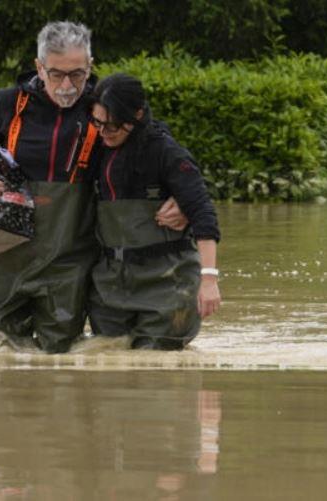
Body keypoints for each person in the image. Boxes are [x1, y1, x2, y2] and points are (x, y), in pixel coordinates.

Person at [0, 22, 185, 353]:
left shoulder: (105, 107)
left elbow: (163, 151)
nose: (67, 85)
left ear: (90, 66)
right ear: (39, 67)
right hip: (3, 255)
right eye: (56, 74)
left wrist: (182, 198)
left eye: (77, 74)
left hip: (71, 259)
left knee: (58, 359)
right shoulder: (7, 105)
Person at [87, 73, 221, 350]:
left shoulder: (166, 152)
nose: (103, 133)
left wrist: (209, 281)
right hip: (110, 286)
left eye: (112, 126)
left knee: (157, 372)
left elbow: (204, 215)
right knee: (107, 363)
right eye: (98, 123)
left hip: (167, 286)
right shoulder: (95, 149)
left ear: (136, 115)